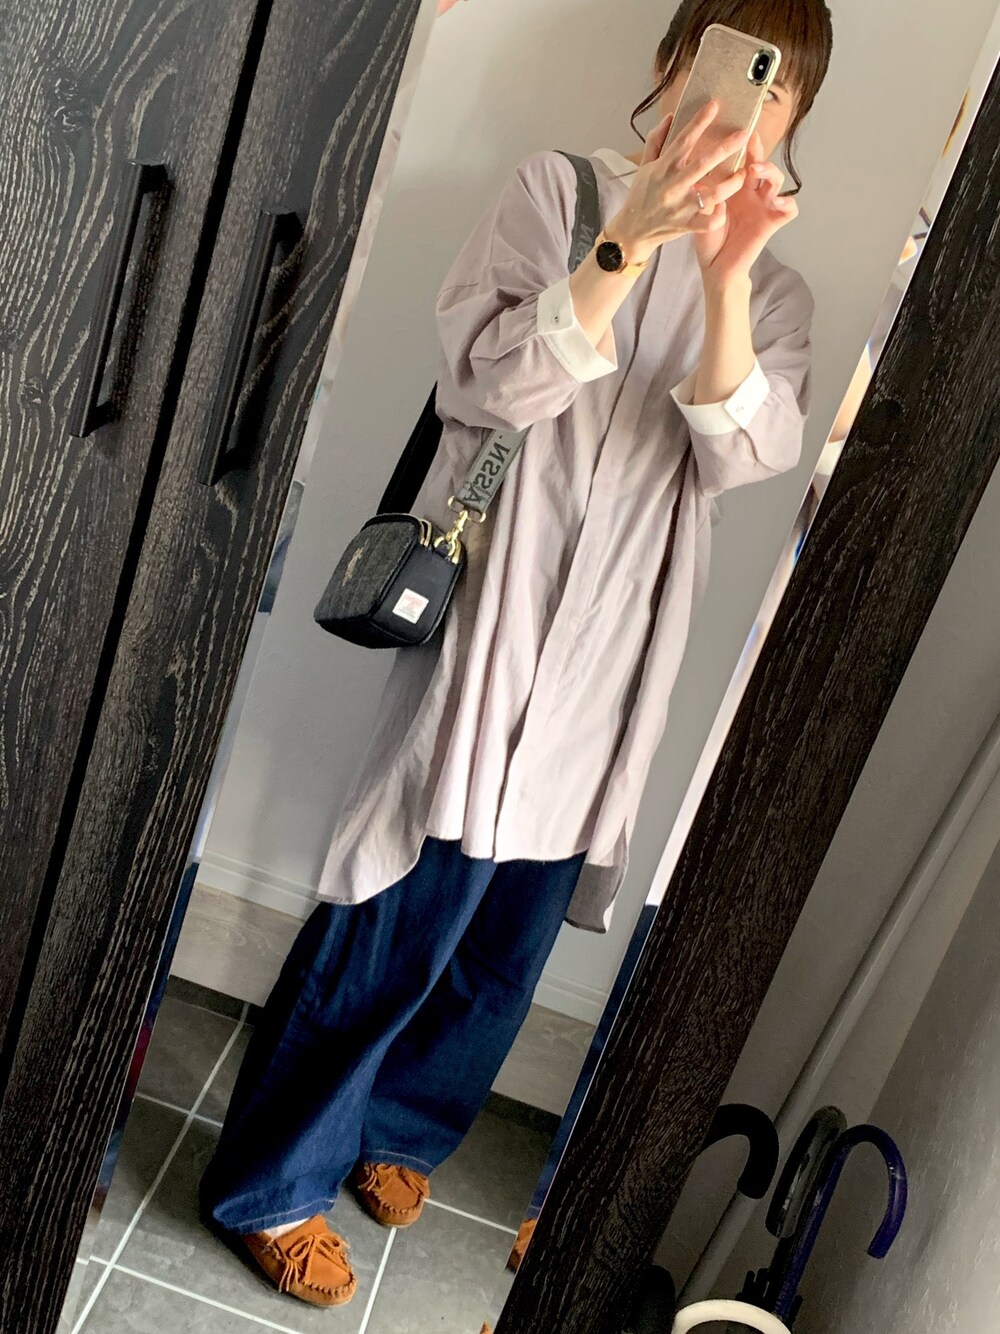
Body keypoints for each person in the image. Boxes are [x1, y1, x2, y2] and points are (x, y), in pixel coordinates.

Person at [199, 0, 833, 1307]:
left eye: (778, 87)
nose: (749, 104)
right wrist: (630, 238)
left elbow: (743, 454)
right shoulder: (559, 192)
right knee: (397, 902)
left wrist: (722, 273)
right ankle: (270, 1182)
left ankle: (401, 1128)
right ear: (675, 66)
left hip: (613, 657)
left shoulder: (775, 292)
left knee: (504, 941)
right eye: (732, 64)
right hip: (494, 617)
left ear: (796, 116)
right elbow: (485, 382)